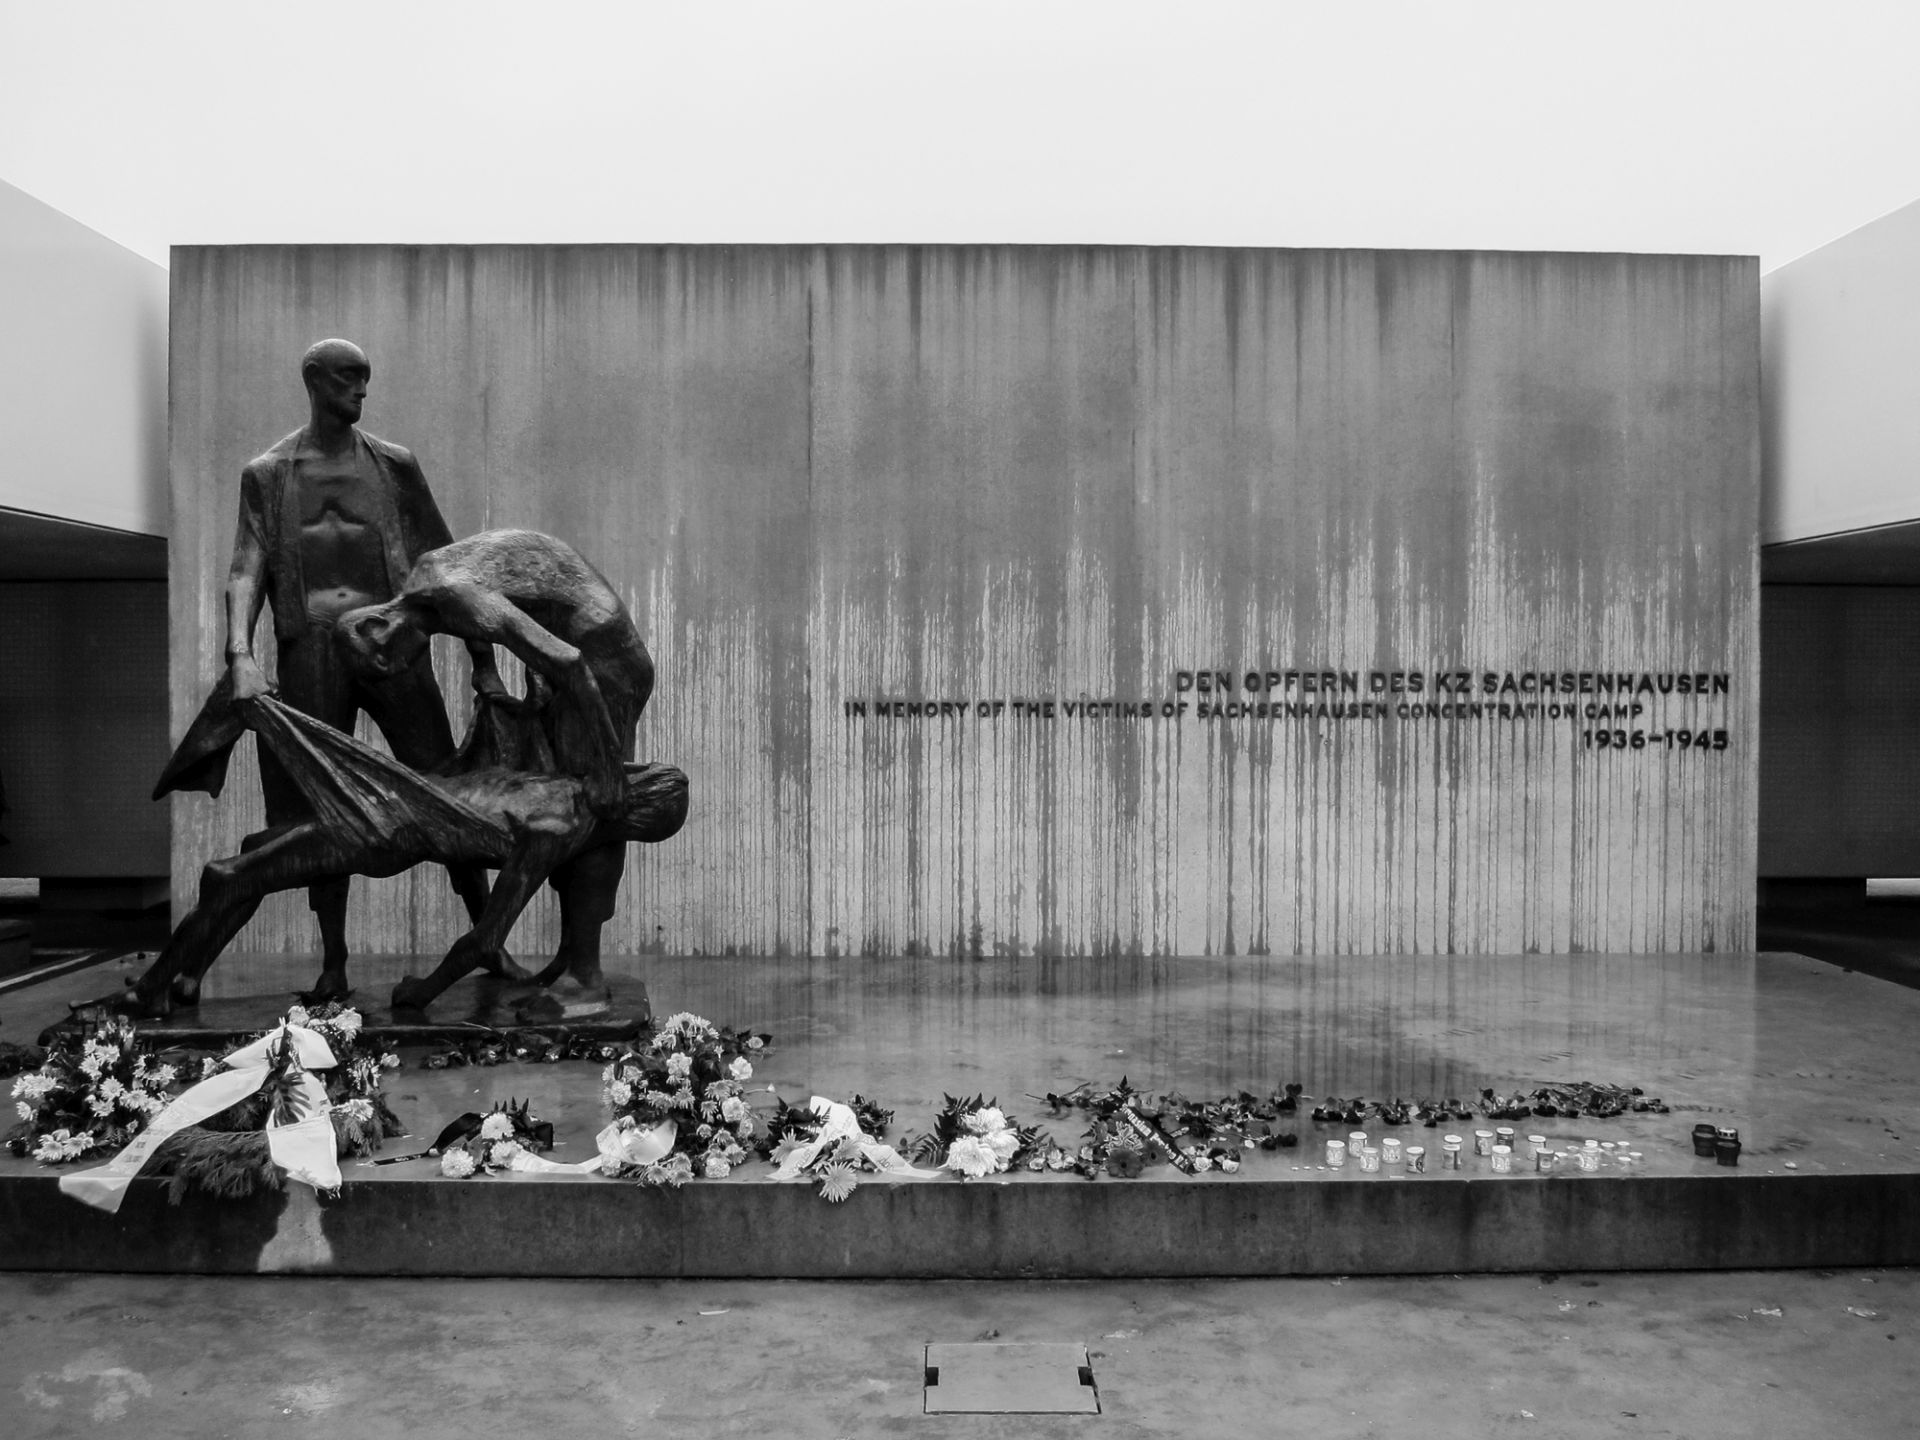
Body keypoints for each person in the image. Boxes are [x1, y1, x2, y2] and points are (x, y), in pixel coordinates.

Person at [159, 339, 496, 1005]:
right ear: (313, 380)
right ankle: (333, 961)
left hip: (389, 638)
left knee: (446, 791)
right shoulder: (269, 472)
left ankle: (488, 939)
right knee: (312, 810)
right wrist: (240, 657)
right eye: (347, 379)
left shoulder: (394, 465)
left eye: (365, 380)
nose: (360, 392)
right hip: (310, 647)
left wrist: (483, 662)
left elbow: (445, 561)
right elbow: (246, 570)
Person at [127, 694, 686, 1016]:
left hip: (384, 828)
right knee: (246, 861)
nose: (618, 774)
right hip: (392, 796)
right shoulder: (561, 787)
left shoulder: (556, 825)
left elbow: (485, 939)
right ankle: (177, 977)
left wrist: (423, 993)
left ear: (630, 803)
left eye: (630, 779)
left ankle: (156, 989)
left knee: (233, 875)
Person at [337, 528, 656, 1000]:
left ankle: (585, 973)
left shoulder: (452, 595)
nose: (402, 669)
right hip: (580, 655)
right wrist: (486, 670)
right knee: (567, 803)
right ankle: (571, 958)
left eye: (389, 666)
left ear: (378, 628)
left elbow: (566, 660)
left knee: (589, 806)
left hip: (600, 662)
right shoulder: (426, 581)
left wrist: (609, 765)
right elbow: (509, 607)